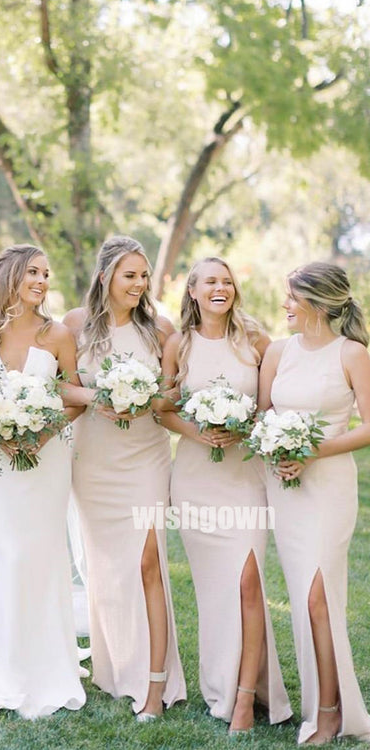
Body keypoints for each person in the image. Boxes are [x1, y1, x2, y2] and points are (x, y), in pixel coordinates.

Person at [159, 257, 292, 733]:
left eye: (227, 281)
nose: (221, 287)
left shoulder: (255, 341)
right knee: (216, 590)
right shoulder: (179, 345)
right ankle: (223, 683)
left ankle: (245, 699)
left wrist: (245, 427)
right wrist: (198, 431)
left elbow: (271, 408)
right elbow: (163, 408)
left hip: (244, 477)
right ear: (193, 291)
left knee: (248, 581)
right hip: (195, 480)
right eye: (211, 281)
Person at [0, 243, 86, 718]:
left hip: (47, 460)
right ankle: (4, 665)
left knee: (43, 551)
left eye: (46, 274)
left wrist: (41, 433)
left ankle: (48, 663)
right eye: (33, 272)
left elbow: (74, 397)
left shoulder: (59, 334)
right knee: (7, 550)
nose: (42, 281)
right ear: (10, 275)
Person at [63, 235, 186, 720]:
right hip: (94, 459)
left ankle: (155, 684)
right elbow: (63, 386)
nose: (138, 284)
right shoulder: (75, 325)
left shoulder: (160, 329)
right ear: (105, 277)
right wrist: (97, 398)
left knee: (148, 561)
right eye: (129, 275)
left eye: (143, 276)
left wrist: (142, 400)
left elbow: (173, 395)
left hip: (145, 456)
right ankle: (115, 669)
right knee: (108, 567)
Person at [258, 261, 370, 745]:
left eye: (292, 296)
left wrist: (312, 451)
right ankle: (324, 703)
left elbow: (369, 426)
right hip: (285, 487)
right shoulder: (278, 351)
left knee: (319, 598)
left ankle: (329, 714)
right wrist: (279, 450)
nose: (285, 304)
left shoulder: (352, 353)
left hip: (329, 488)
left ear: (317, 304)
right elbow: (263, 415)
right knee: (305, 596)